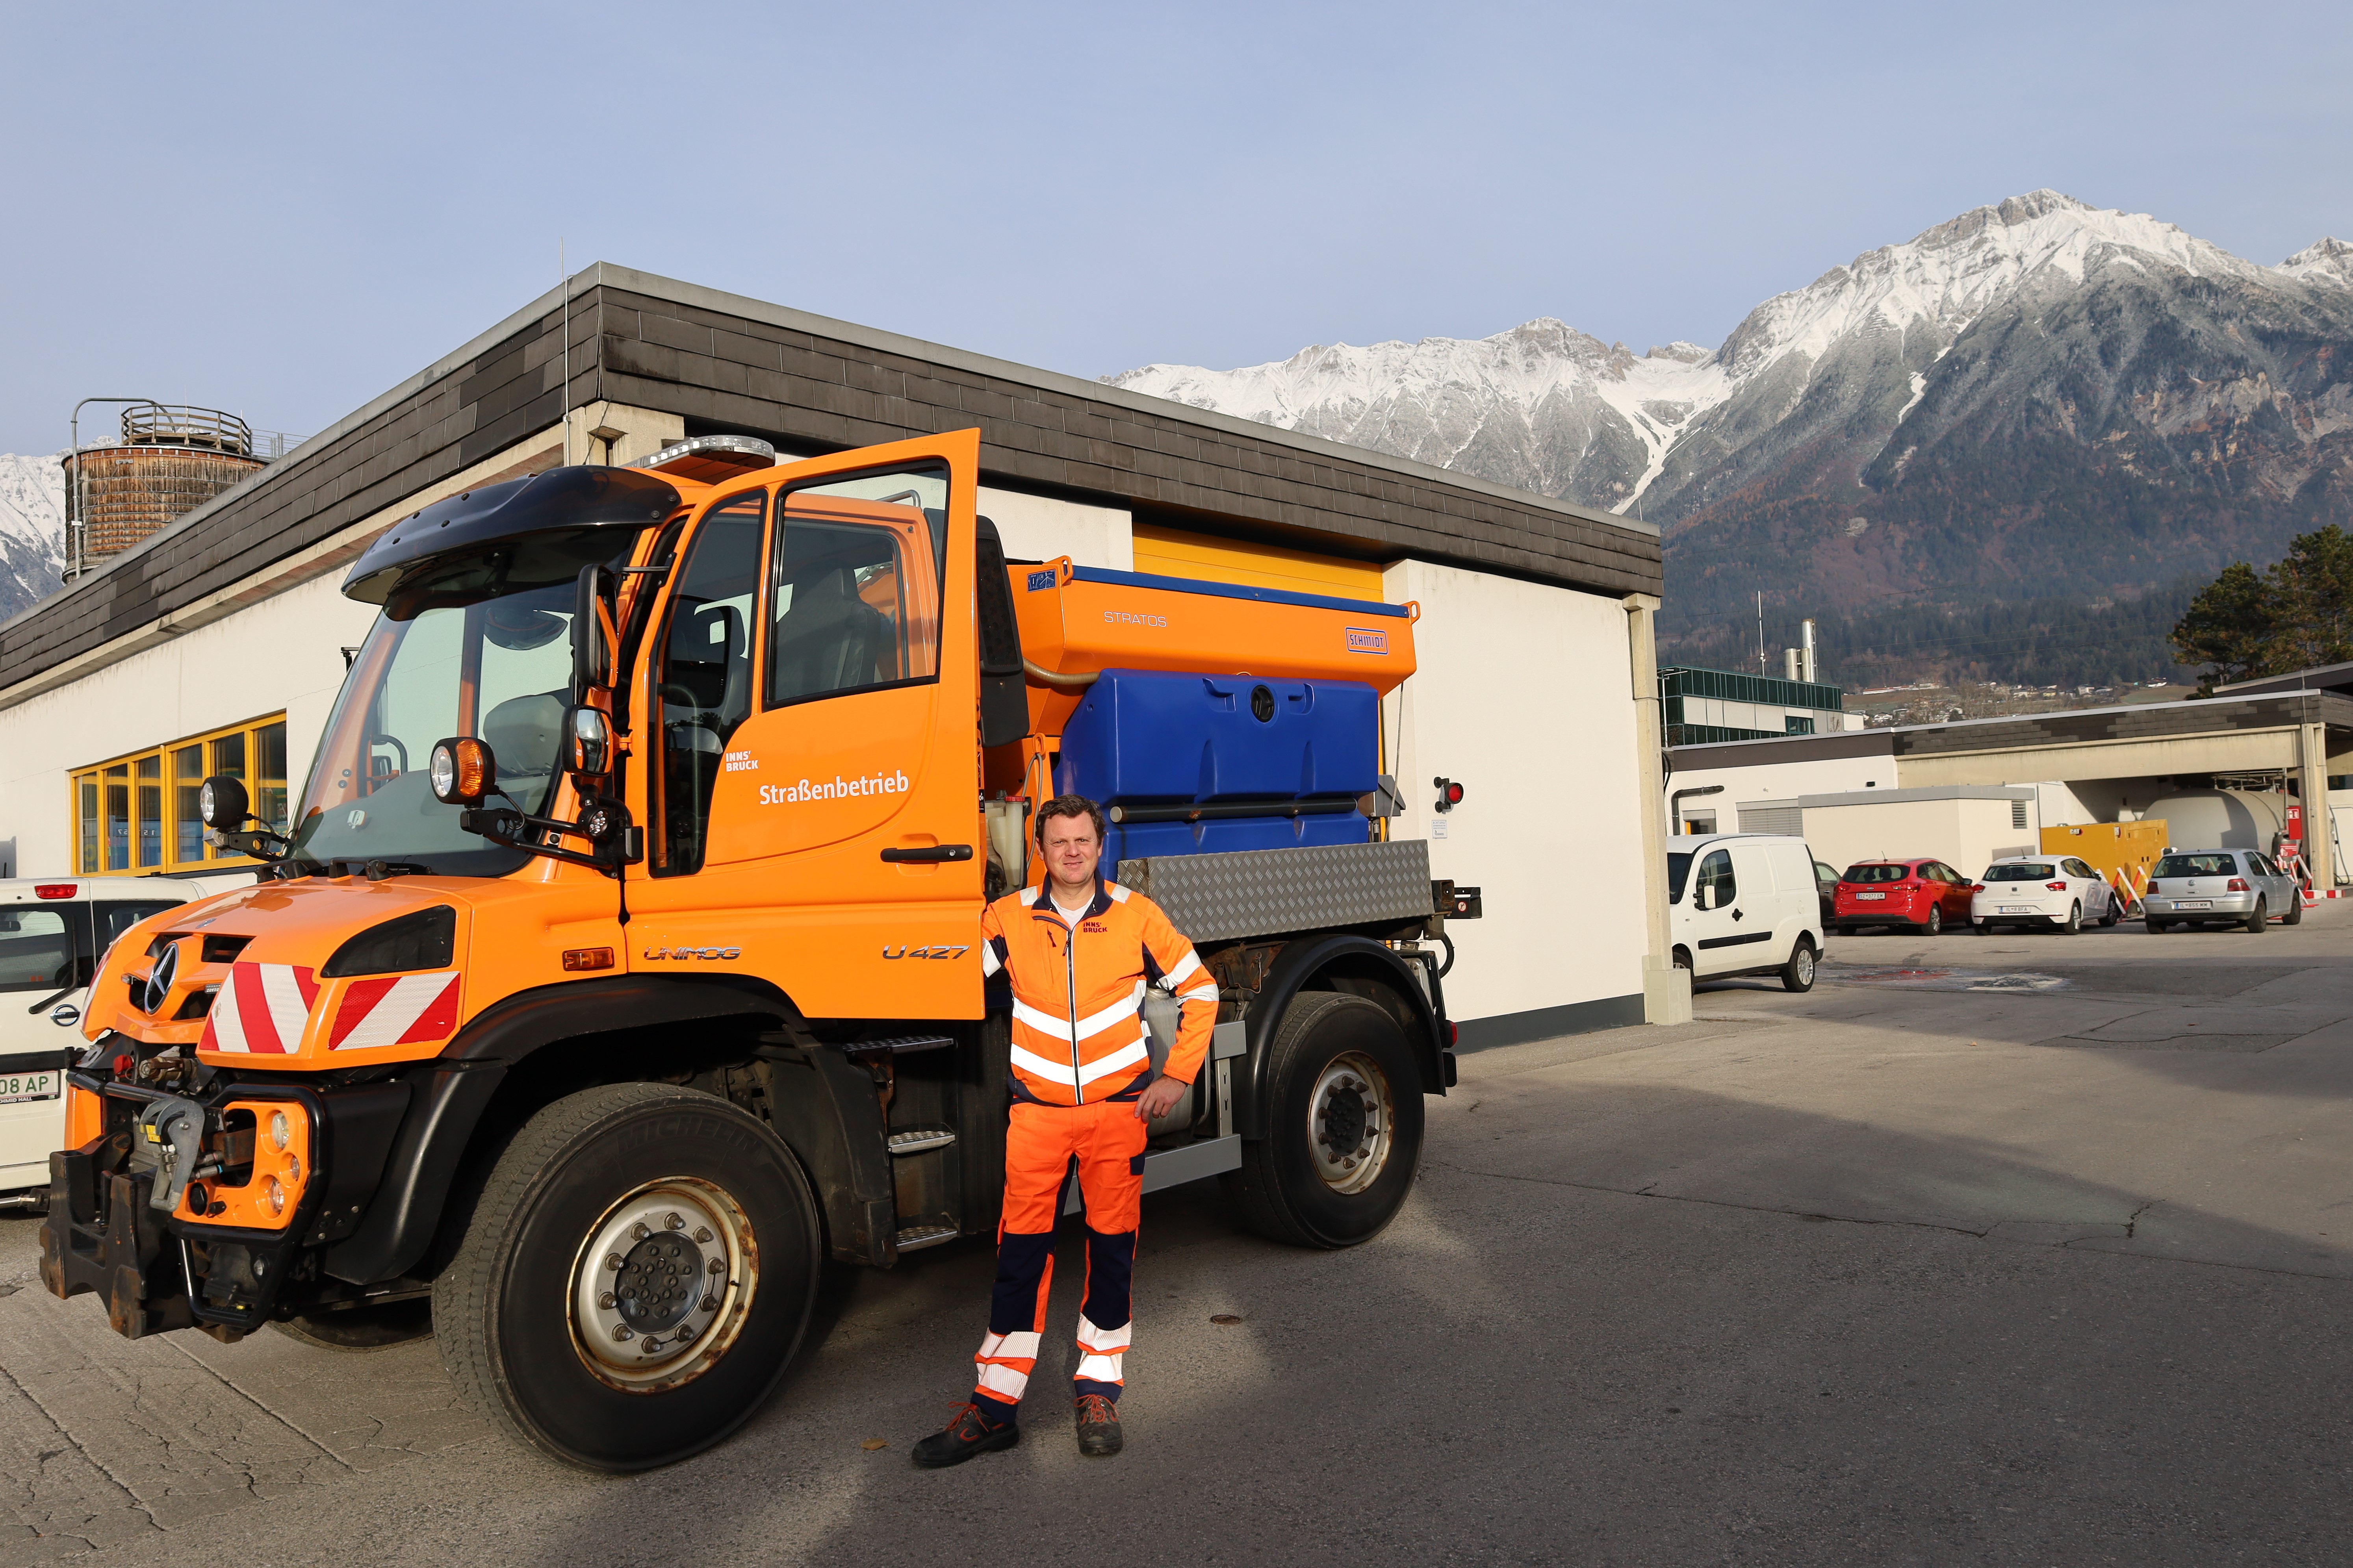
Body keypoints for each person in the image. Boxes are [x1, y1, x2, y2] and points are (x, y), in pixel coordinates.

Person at [911, 793, 1219, 1467]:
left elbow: (1201, 991)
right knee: (1019, 1259)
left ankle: (1098, 1388)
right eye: (1059, 843)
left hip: (1118, 1116)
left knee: (1111, 1252)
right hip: (1038, 1119)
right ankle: (994, 1407)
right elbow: (946, 975)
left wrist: (1178, 1076)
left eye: (1083, 840)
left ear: (1098, 845)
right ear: (1040, 849)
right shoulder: (1008, 918)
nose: (1072, 851)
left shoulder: (1137, 916)